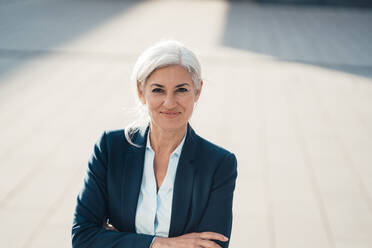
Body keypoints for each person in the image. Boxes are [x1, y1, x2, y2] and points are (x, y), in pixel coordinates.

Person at [72, 40, 238, 248]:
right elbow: (83, 237)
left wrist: (118, 240)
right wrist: (158, 244)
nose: (169, 102)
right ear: (141, 92)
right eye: (158, 90)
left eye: (181, 90)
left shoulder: (218, 164)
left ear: (197, 91)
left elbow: (211, 246)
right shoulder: (110, 148)